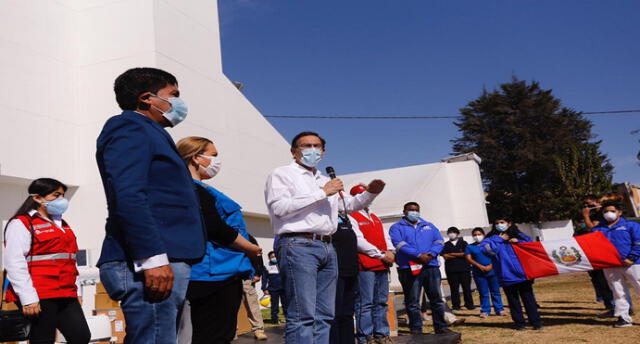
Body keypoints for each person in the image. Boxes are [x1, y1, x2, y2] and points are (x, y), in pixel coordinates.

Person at [96, 67, 207, 344]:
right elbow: (129, 194)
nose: (179, 103)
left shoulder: (152, 132)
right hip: (150, 260)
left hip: (163, 257)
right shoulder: (129, 126)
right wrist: (152, 259)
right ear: (147, 97)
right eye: (174, 95)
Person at [264, 131, 385, 343]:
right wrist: (322, 192)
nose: (312, 150)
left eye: (316, 146)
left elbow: (347, 206)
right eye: (305, 146)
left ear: (324, 151)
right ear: (294, 151)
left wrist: (370, 194)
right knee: (303, 315)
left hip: (328, 247)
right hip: (298, 244)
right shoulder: (282, 174)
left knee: (326, 315)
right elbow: (280, 208)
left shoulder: (324, 178)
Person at [175, 136, 262, 344]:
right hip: (213, 274)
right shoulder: (191, 189)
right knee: (214, 335)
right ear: (196, 158)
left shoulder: (200, 189)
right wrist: (250, 248)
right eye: (213, 156)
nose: (216, 161)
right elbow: (215, 227)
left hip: (218, 271)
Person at [3, 178, 91, 344]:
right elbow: (14, 263)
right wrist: (28, 298)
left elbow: (70, 259)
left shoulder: (62, 224)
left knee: (81, 336)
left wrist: (77, 291)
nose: (61, 200)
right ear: (37, 198)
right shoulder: (21, 223)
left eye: (63, 195)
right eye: (56, 195)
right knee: (43, 340)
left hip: (66, 292)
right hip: (39, 293)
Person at [389, 202, 454, 335]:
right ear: (404, 211)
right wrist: (418, 255)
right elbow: (399, 244)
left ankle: (440, 327)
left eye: (416, 210)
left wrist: (431, 254)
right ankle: (416, 329)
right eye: (411, 210)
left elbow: (439, 241)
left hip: (430, 266)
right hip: (409, 268)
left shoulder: (429, 226)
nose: (414, 212)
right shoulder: (396, 227)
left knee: (436, 299)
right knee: (413, 301)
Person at [348, 184, 395, 344]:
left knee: (381, 302)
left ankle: (381, 334)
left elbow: (385, 236)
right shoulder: (352, 216)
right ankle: (365, 337)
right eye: (364, 196)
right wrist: (381, 254)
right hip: (365, 265)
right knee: (365, 303)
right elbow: (358, 241)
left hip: (382, 264)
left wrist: (390, 251)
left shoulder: (374, 216)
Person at [481, 217, 542, 330]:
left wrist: (519, 242)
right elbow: (487, 250)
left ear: (509, 223)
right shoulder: (490, 238)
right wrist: (499, 240)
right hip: (506, 275)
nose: (499, 225)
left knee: (529, 299)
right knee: (513, 301)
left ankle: (536, 322)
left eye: (502, 222)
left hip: (523, 274)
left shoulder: (519, 235)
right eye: (497, 223)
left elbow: (531, 246)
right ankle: (520, 324)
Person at [592, 200, 640, 328]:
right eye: (606, 211)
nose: (609, 214)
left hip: (633, 264)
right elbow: (591, 246)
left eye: (612, 211)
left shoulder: (631, 225)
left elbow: (638, 242)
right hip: (610, 266)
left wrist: (631, 257)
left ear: (619, 212)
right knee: (618, 291)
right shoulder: (597, 229)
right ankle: (623, 317)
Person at [329, 211, 359, 344]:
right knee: (334, 313)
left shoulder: (346, 218)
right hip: (335, 273)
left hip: (351, 271)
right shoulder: (326, 218)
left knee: (347, 313)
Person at [464, 227, 505, 317]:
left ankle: (499, 309)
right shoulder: (470, 247)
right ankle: (485, 310)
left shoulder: (489, 244)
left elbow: (496, 255)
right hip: (478, 273)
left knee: (495, 291)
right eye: (474, 235)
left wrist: (491, 265)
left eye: (479, 234)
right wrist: (480, 266)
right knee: (483, 292)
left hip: (493, 271)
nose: (477, 236)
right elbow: (468, 258)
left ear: (483, 235)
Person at [241, 235, 268, 341]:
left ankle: (258, 330)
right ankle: (231, 331)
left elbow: (258, 254)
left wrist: (258, 272)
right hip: (227, 274)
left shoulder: (247, 236)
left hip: (246, 275)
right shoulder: (220, 231)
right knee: (229, 305)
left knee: (251, 303)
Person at [442, 227, 474, 311]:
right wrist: (458, 254)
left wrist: (452, 254)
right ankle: (456, 306)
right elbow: (445, 256)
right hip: (451, 270)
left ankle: (469, 305)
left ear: (457, 233)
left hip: (464, 269)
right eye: (449, 232)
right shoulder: (445, 245)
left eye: (453, 232)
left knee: (466, 288)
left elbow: (465, 254)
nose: (451, 234)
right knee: (454, 289)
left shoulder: (463, 243)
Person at [262, 251, 286, 324]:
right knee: (274, 305)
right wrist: (264, 288)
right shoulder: (266, 266)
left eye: (275, 257)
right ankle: (274, 320)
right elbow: (264, 278)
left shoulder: (282, 264)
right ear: (269, 258)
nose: (274, 258)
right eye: (272, 257)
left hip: (283, 288)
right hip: (273, 289)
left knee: (285, 304)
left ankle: (288, 318)